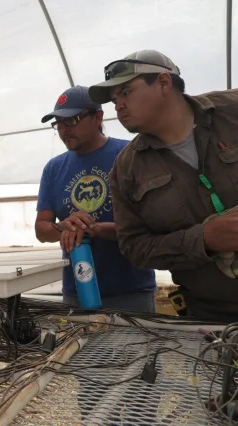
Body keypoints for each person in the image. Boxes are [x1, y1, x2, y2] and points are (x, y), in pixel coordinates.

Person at [89, 49, 238, 322]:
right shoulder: (126, 169)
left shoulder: (231, 110)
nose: (117, 105)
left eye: (125, 92)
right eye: (113, 99)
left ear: (164, 83)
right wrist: (203, 239)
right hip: (212, 318)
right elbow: (134, 246)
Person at [35, 85, 156, 311]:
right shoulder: (53, 168)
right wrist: (63, 227)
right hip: (77, 290)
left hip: (131, 291)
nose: (63, 129)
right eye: (58, 124)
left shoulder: (130, 154)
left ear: (98, 117)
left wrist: (96, 229)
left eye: (71, 121)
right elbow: (42, 230)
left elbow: (151, 224)